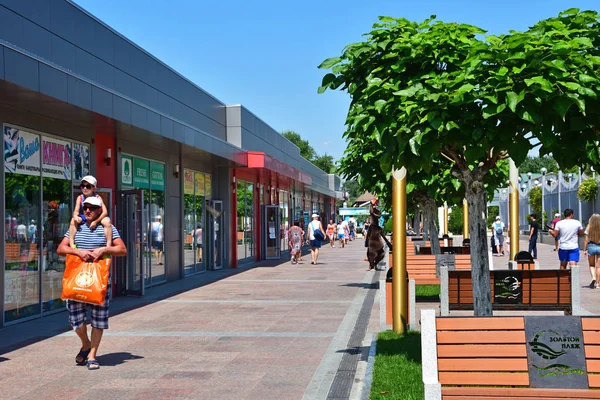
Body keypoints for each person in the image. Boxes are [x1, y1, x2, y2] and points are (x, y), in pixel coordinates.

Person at [56, 196, 127, 370]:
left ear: (98, 211)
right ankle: (86, 344)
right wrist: (78, 252)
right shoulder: (76, 226)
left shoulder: (107, 227)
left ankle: (92, 356)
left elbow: (122, 249)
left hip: (99, 281)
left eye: (91, 208)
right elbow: (60, 249)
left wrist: (104, 249)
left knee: (98, 320)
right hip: (77, 279)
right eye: (85, 207)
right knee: (76, 321)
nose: (87, 210)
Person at [69, 176, 112, 248]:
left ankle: (108, 245)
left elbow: (105, 212)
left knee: (107, 221)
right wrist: (75, 216)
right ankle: (72, 243)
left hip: (97, 216)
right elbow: (76, 211)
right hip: (85, 216)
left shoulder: (97, 197)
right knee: (73, 220)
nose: (85, 188)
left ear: (94, 188)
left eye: (88, 186)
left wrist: (95, 221)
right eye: (82, 186)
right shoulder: (80, 197)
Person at [366, 204, 393, 271]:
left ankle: (374, 264)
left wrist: (389, 244)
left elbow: (383, 236)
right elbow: (368, 235)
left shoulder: (378, 228)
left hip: (378, 244)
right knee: (372, 254)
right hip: (372, 244)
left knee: (382, 254)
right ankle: (372, 266)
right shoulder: (371, 227)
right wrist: (366, 242)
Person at [584, 214, 600, 288]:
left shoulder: (589, 227)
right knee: (599, 267)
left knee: (592, 265)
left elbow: (586, 240)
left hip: (591, 246)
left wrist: (584, 249)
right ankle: (597, 284)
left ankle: (593, 278)